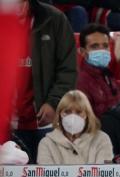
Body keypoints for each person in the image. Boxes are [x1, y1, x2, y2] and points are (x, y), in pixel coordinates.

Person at [14, 0, 77, 163]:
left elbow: (67, 69)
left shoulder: (54, 19)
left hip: (44, 122)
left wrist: (53, 102)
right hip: (6, 125)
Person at [37, 90, 113, 165]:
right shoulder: (46, 143)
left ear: (87, 115)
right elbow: (47, 175)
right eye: (67, 112)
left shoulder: (102, 140)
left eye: (79, 112)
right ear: (59, 115)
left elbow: (104, 174)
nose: (73, 117)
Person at [76, 23, 120, 119]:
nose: (102, 50)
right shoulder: (80, 82)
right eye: (95, 46)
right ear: (82, 51)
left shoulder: (108, 75)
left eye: (105, 45)